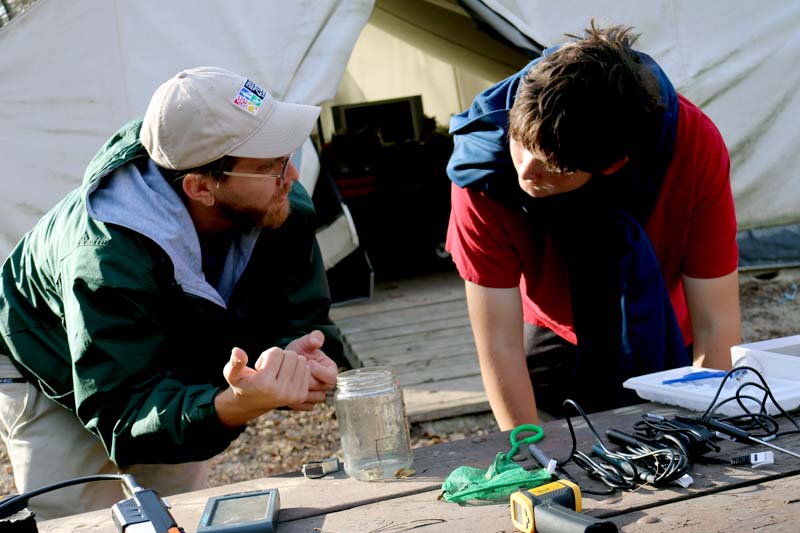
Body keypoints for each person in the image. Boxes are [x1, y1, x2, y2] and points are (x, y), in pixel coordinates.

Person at [0, 66, 347, 519]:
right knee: (78, 518)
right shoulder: (105, 258)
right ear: (201, 186)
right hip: (46, 356)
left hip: (155, 347)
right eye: (270, 166)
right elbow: (124, 413)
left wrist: (302, 361)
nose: (293, 174)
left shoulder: (280, 205)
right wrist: (235, 405)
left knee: (175, 511)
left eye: (287, 153)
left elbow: (303, 320)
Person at [446, 22, 741, 429]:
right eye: (521, 144)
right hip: (553, 328)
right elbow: (498, 344)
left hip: (661, 324)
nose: (526, 172)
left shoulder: (692, 149)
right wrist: (529, 458)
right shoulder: (483, 172)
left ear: (613, 165)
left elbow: (717, 323)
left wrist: (708, 430)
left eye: (553, 166)